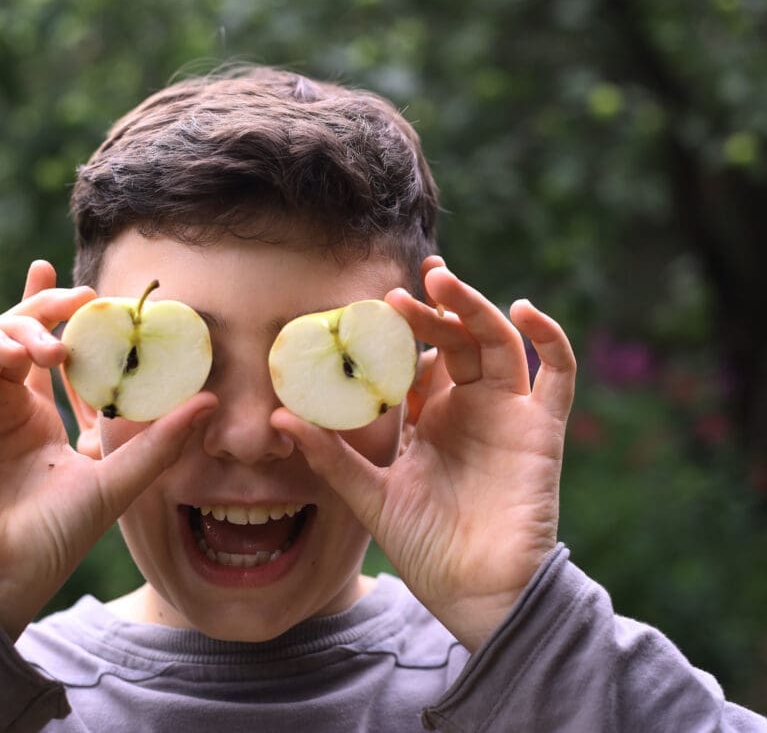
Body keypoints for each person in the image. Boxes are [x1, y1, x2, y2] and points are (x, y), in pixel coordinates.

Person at [0, 65, 764, 733]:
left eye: (329, 362)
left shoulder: (549, 677)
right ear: (84, 392)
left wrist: (528, 625)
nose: (246, 435)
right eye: (167, 361)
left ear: (411, 396)